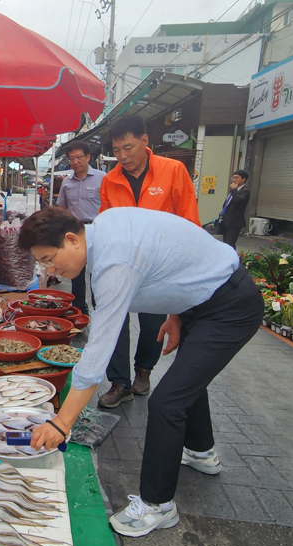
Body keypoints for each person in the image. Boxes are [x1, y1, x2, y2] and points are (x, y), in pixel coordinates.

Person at [20, 206, 262, 537]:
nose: (50, 269)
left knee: (167, 403)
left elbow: (97, 355)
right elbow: (172, 255)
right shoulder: (103, 228)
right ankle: (201, 452)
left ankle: (158, 505)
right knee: (188, 380)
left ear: (72, 239)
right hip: (201, 300)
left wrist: (62, 424)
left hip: (229, 308)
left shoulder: (114, 262)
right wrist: (177, 311)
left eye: (49, 259)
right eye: (42, 263)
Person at [98, 115, 201, 408]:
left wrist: (185, 266)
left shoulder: (173, 171)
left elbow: (189, 220)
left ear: (145, 141)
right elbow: (106, 224)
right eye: (117, 150)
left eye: (128, 148)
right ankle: (119, 383)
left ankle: (144, 370)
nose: (122, 156)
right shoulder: (110, 180)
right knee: (114, 319)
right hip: (123, 264)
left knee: (153, 321)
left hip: (160, 266)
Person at [56, 141, 105, 315]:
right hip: (75, 231)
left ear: (88, 157)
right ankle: (79, 310)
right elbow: (62, 208)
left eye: (79, 157)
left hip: (98, 230)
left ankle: (100, 309)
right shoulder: (67, 182)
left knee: (97, 272)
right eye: (72, 158)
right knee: (76, 272)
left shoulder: (102, 178)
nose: (75, 162)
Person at [218, 170, 250, 250]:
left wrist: (234, 190)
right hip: (226, 220)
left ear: (243, 179)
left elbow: (238, 200)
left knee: (230, 243)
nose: (234, 180)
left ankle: (231, 257)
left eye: (237, 178)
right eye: (233, 177)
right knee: (225, 243)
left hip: (235, 222)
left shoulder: (245, 191)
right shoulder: (234, 191)